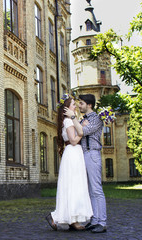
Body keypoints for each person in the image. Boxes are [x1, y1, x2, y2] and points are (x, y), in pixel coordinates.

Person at [46, 94, 93, 231]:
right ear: (67, 109)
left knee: (75, 187)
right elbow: (73, 140)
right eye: (73, 104)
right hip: (72, 152)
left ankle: (73, 219)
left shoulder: (71, 121)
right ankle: (57, 217)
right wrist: (82, 131)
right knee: (73, 186)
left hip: (74, 154)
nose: (76, 106)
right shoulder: (68, 121)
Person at [64, 94, 107, 233]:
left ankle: (102, 222)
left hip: (92, 154)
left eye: (81, 103)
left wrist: (73, 118)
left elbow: (82, 131)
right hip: (84, 155)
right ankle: (94, 220)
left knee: (96, 190)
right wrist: (77, 122)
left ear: (89, 105)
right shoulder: (83, 119)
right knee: (90, 191)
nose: (79, 106)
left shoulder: (96, 118)